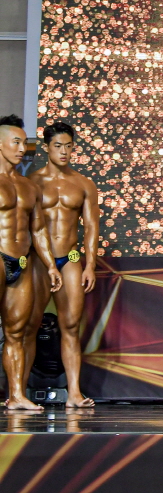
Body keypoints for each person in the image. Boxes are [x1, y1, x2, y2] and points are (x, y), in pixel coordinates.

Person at [28, 122, 100, 408]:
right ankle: (17, 393)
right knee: (29, 326)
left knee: (70, 325)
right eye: (58, 146)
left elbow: (91, 227)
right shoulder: (33, 182)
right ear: (46, 148)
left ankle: (74, 394)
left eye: (68, 146)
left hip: (69, 258)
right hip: (39, 260)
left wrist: (90, 265)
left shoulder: (83, 184)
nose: (64, 152)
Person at [0, 115, 61, 411]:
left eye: (24, 143)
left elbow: (38, 230)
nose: (22, 148)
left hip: (21, 261)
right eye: (16, 142)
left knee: (18, 331)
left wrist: (50, 265)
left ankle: (16, 396)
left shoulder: (28, 186)